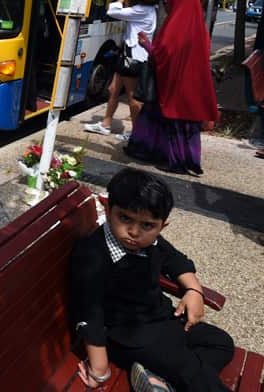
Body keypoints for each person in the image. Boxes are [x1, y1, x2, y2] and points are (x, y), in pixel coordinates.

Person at [71, 168, 234, 392]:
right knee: (191, 371)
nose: (134, 232)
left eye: (147, 225)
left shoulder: (152, 242)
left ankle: (162, 382)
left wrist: (194, 291)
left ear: (161, 226)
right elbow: (90, 314)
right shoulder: (93, 255)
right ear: (109, 210)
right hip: (129, 337)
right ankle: (176, 376)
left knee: (221, 342)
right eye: (125, 218)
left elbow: (176, 261)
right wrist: (100, 371)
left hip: (165, 320)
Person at [125, 0, 219, 175]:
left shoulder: (174, 27)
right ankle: (180, 158)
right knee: (181, 123)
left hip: (173, 87)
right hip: (190, 88)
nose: (165, 8)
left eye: (167, 3)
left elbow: (162, 56)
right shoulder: (200, 30)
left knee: (168, 120)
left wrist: (146, 44)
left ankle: (176, 161)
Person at [85, 0, 163, 141]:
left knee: (132, 98)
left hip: (133, 59)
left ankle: (137, 134)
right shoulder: (148, 8)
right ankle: (105, 124)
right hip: (127, 55)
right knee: (113, 89)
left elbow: (112, 11)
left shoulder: (142, 10)